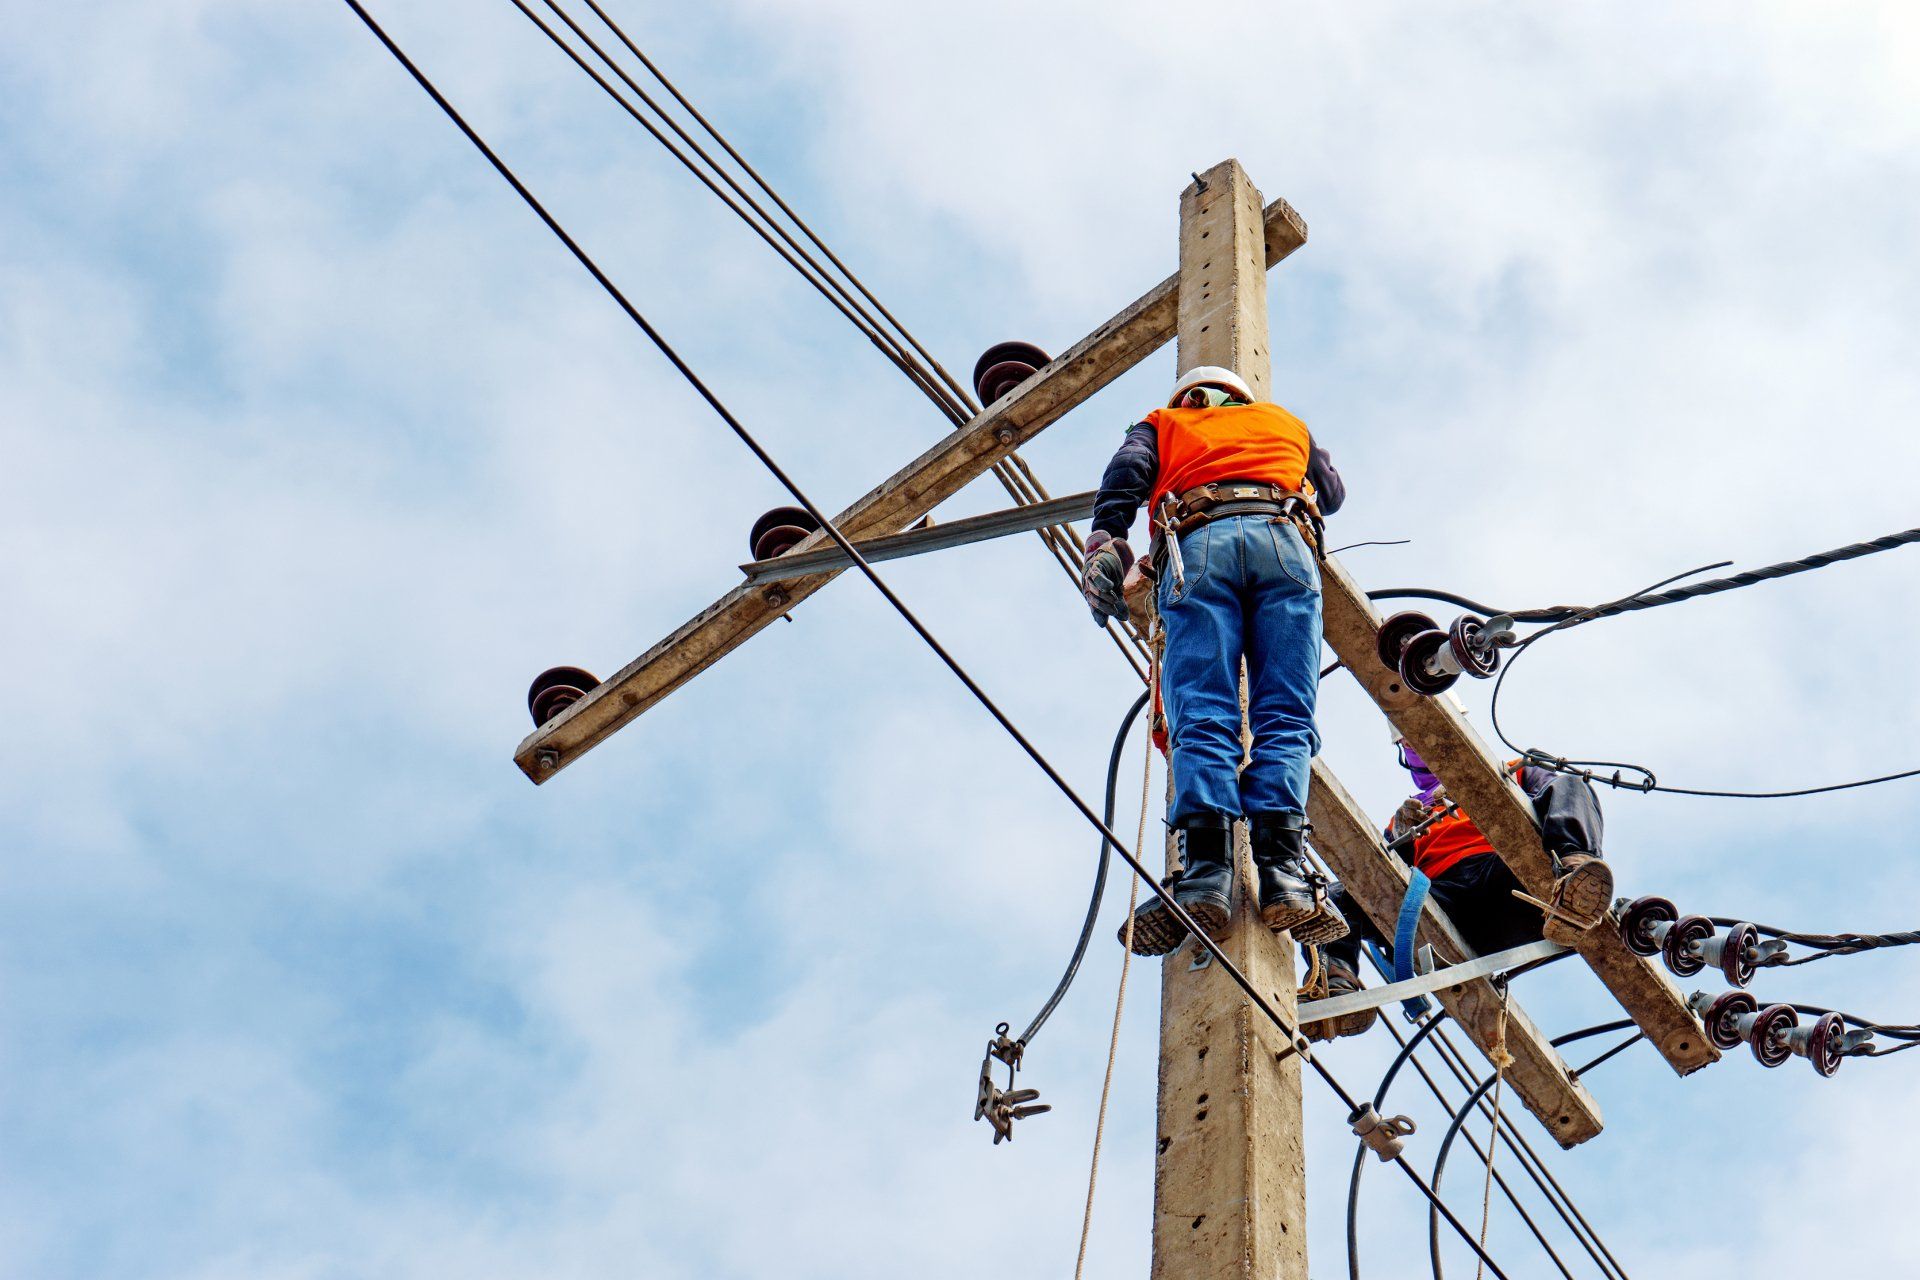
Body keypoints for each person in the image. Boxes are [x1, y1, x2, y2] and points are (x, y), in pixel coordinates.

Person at [1082, 365, 1347, 956]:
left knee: (1202, 712)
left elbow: (1127, 473)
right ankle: (1283, 875)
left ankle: (1206, 876)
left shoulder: (1163, 423)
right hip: (1286, 541)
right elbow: (1331, 493)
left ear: (1188, 398)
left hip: (1199, 541)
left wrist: (1106, 541)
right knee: (1287, 715)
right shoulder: (1287, 424)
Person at [1300, 730, 1614, 1039]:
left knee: (1570, 781)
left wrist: (1486, 788)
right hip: (1440, 901)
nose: (1417, 747)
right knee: (1332, 896)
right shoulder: (1409, 816)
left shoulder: (1512, 770)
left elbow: (1564, 792)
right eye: (1408, 742)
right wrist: (1398, 839)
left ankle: (1574, 879)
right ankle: (1334, 980)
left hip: (1507, 883)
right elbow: (1375, 882)